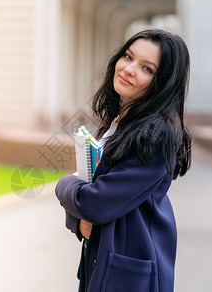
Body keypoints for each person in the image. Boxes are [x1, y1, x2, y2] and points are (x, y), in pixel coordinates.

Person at [55, 29, 191, 292]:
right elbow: (92, 205)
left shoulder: (157, 133)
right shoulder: (118, 122)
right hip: (103, 263)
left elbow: (94, 202)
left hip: (129, 274)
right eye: (128, 56)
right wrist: (79, 220)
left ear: (162, 83)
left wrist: (63, 184)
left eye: (147, 69)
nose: (129, 69)